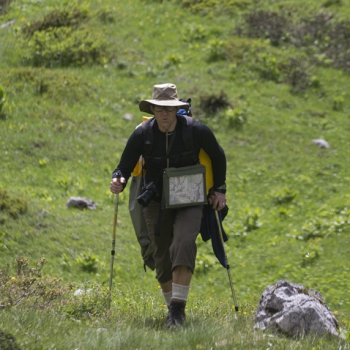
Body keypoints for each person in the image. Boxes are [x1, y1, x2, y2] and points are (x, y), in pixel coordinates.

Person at [110, 83, 227, 327]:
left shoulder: (196, 130)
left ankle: (177, 311)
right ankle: (172, 312)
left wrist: (219, 190)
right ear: (153, 109)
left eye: (170, 109)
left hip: (189, 198)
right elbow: (123, 165)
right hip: (155, 200)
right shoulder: (142, 133)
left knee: (183, 242)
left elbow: (218, 156)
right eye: (160, 108)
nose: (165, 114)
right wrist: (118, 178)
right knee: (161, 256)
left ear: (177, 110)